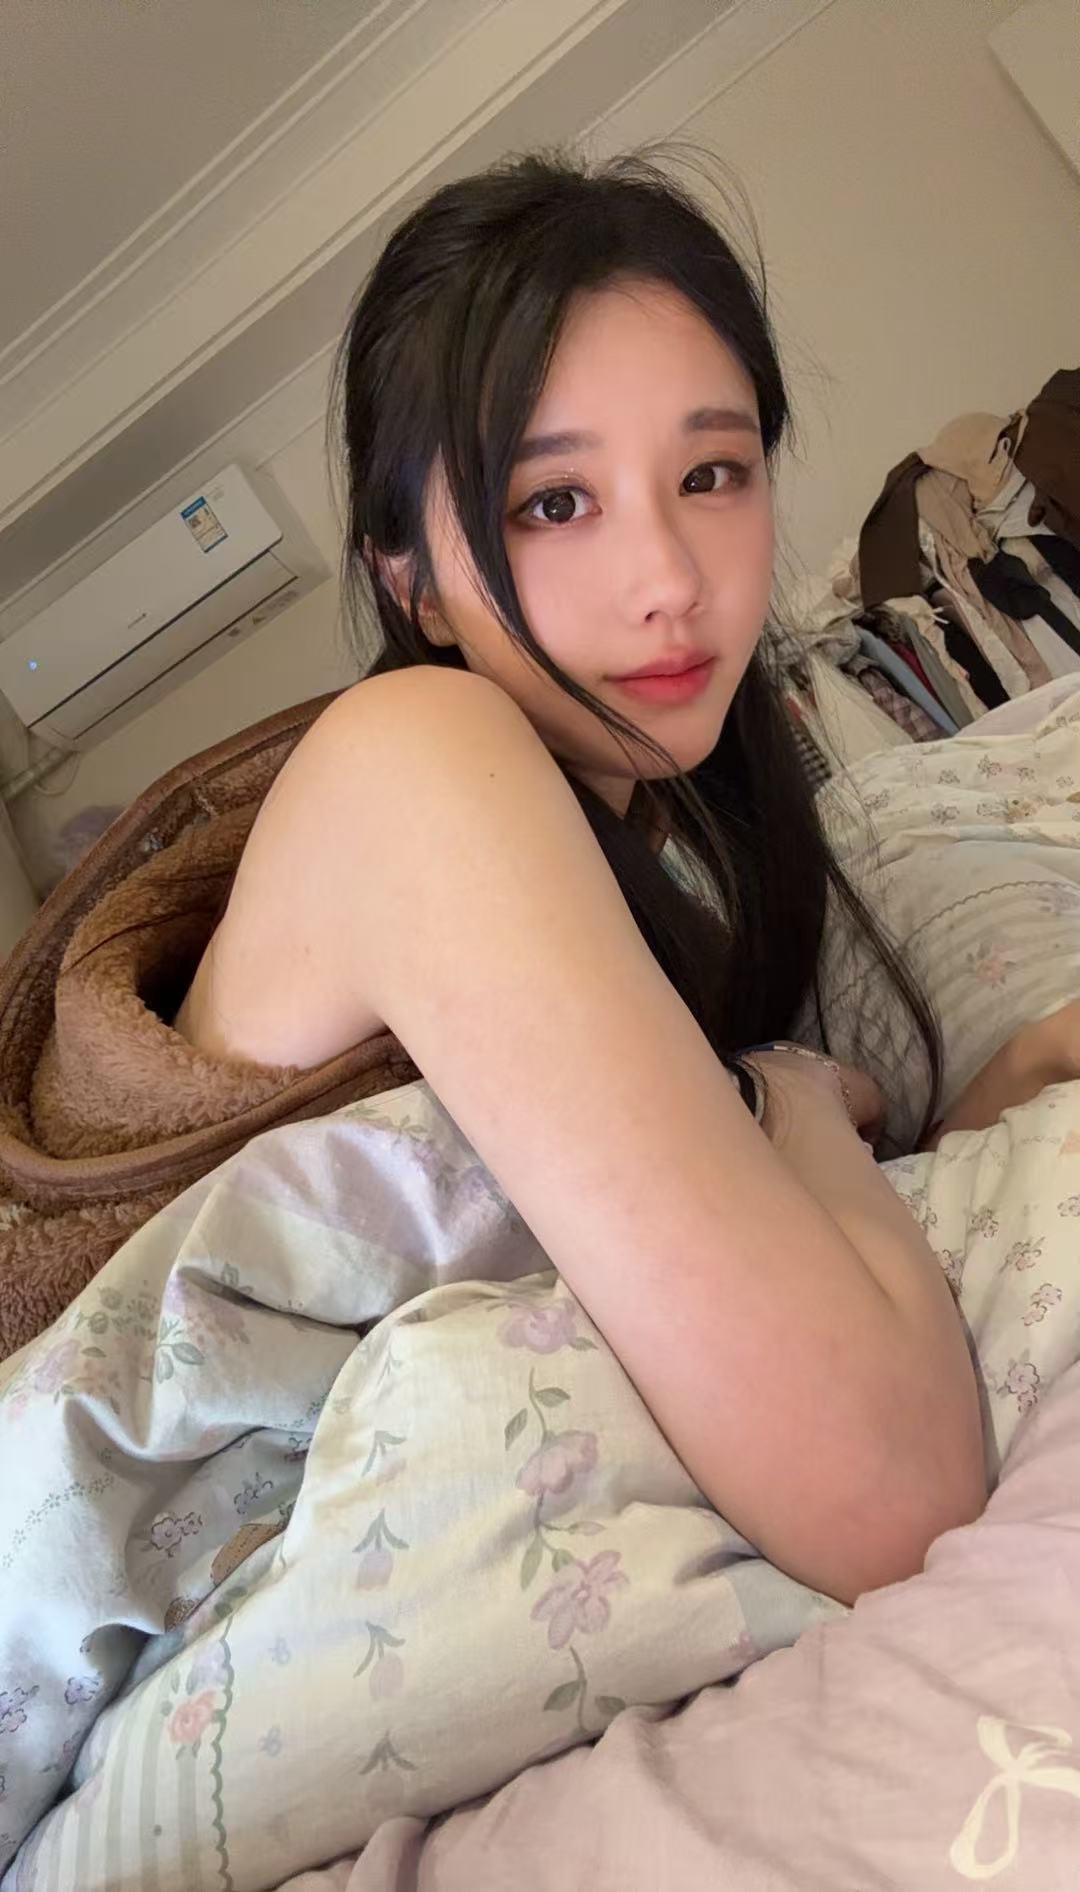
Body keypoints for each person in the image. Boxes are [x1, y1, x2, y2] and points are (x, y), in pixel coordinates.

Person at [174, 148, 987, 1607]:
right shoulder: (418, 757)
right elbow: (889, 1494)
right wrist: (790, 1098)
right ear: (410, 578)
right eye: (554, 504)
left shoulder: (664, 831)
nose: (671, 577)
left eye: (711, 475)